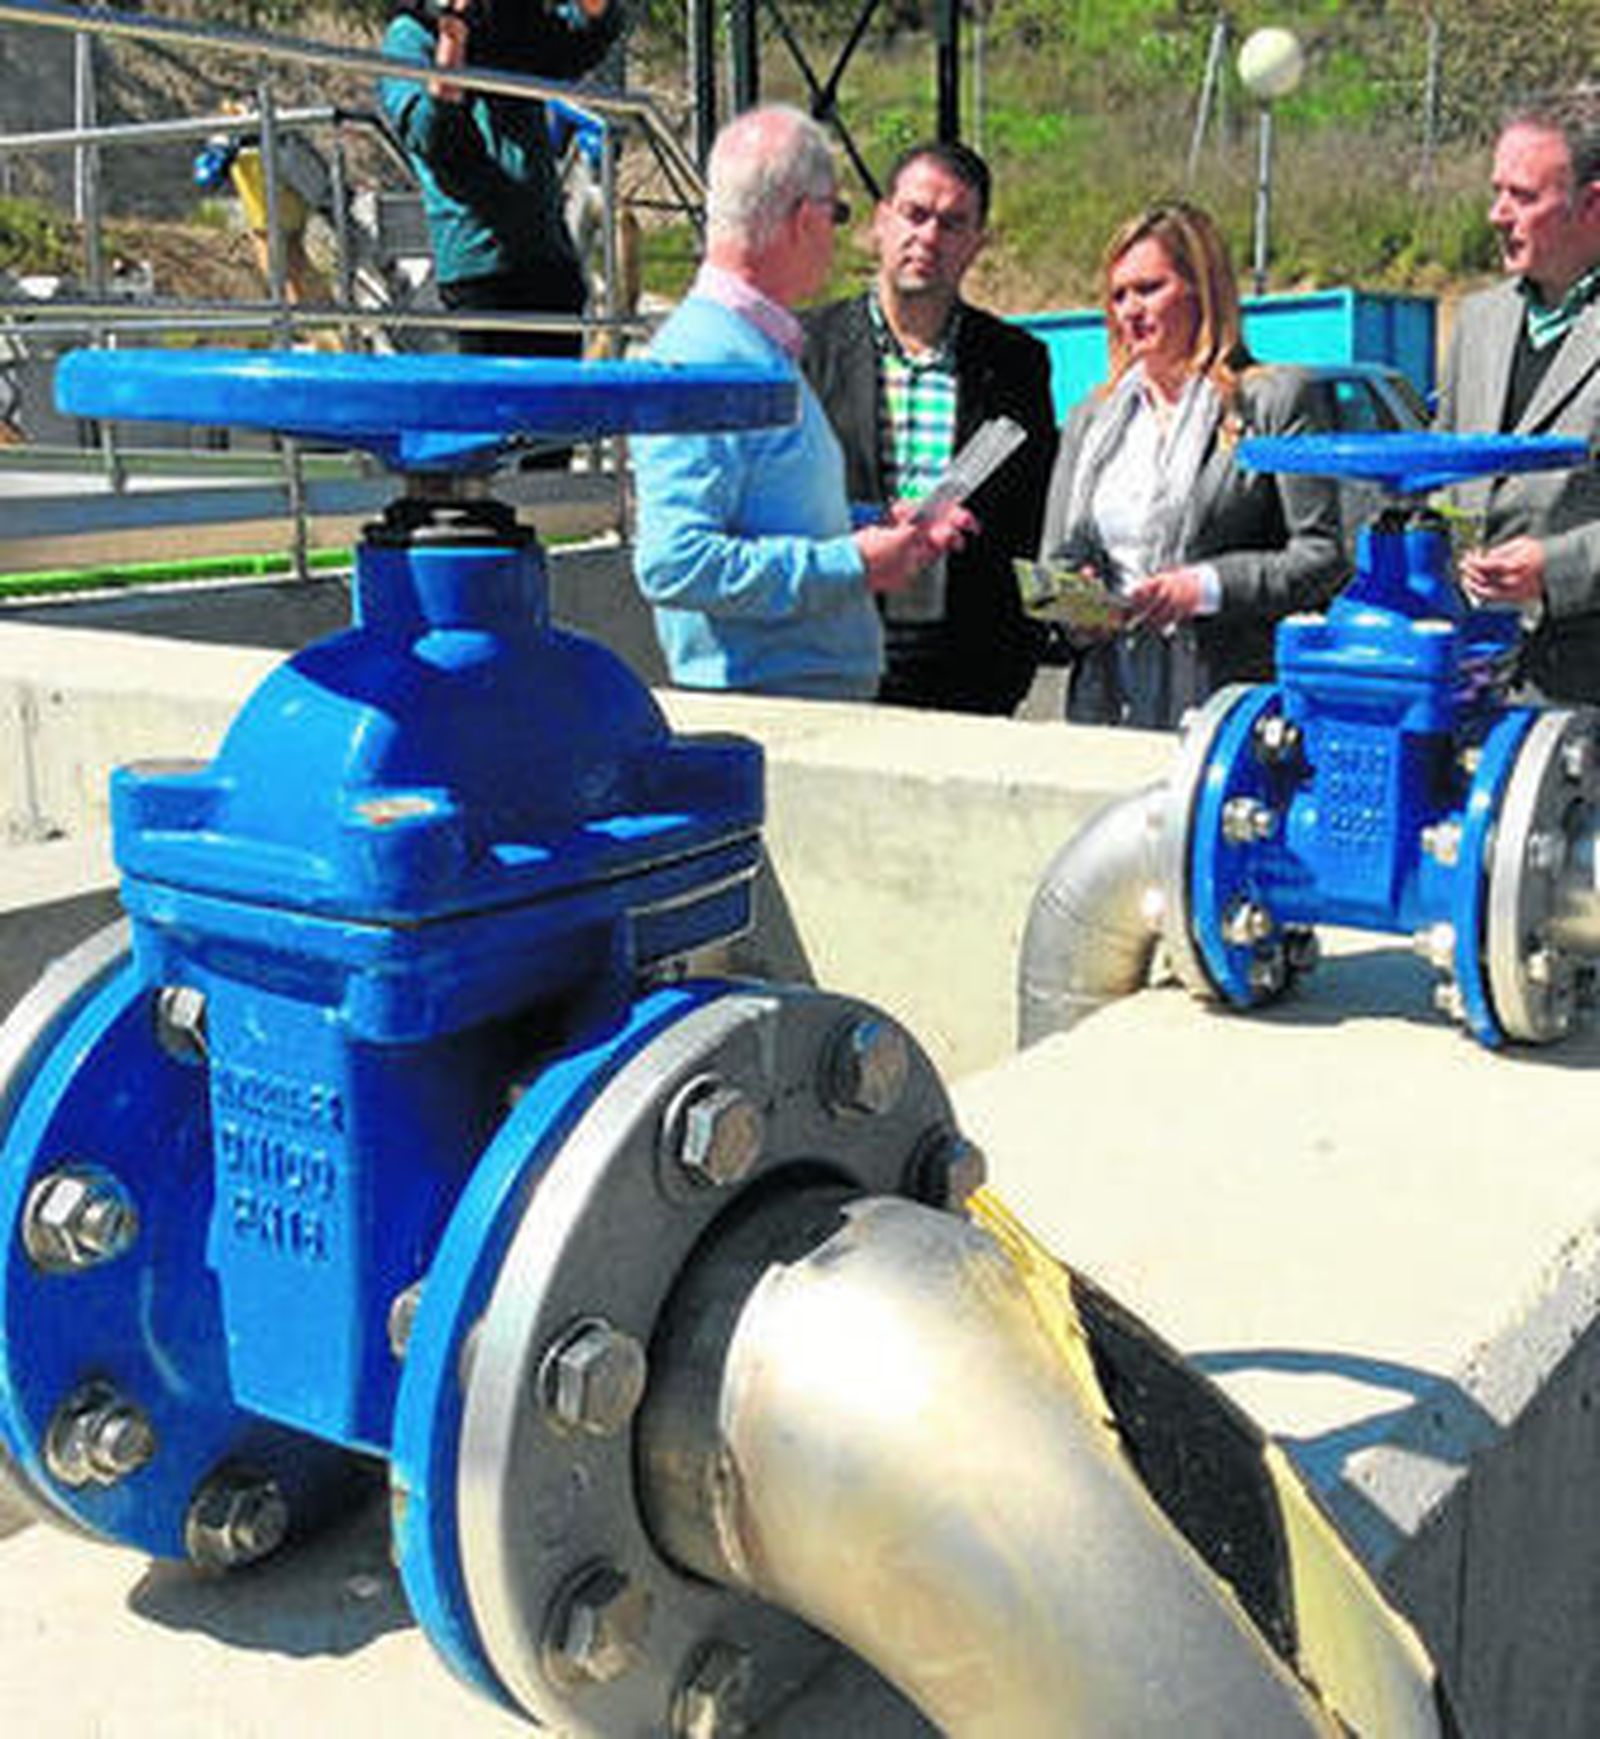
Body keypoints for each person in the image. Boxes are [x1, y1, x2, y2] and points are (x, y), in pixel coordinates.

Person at [630, 105, 972, 701]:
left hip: (787, 698)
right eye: (837, 214)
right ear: (804, 218)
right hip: (772, 709)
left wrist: (877, 528)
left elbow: (763, 512)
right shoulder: (708, 358)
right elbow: (674, 562)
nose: (838, 236)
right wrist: (855, 563)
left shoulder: (744, 347)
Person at [1037, 200, 1343, 729]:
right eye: (1117, 295)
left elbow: (1324, 557)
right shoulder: (1090, 419)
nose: (1129, 310)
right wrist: (1077, 606)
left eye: (1149, 288)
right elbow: (1054, 562)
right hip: (1108, 705)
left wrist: (1206, 587)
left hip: (1227, 708)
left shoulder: (1271, 400)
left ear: (1202, 289)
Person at [801, 141, 1058, 715]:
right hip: (836, 646)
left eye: (953, 223)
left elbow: (1030, 515)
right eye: (915, 215)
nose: (930, 237)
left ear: (976, 243)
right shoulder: (805, 351)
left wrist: (1023, 646)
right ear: (881, 221)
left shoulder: (1017, 363)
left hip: (972, 667)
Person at [1435, 97, 1600, 703]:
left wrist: (1555, 568)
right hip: (1474, 677)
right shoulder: (1477, 321)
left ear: (1593, 204)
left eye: (1523, 197)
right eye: (1496, 191)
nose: (1496, 214)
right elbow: (1442, 470)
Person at [379, 0, 624, 362]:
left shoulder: (508, 23)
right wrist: (453, 36)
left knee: (557, 411)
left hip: (547, 257)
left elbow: (576, 44)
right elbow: (433, 137)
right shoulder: (409, 37)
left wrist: (595, 11)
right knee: (491, 409)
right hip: (480, 265)